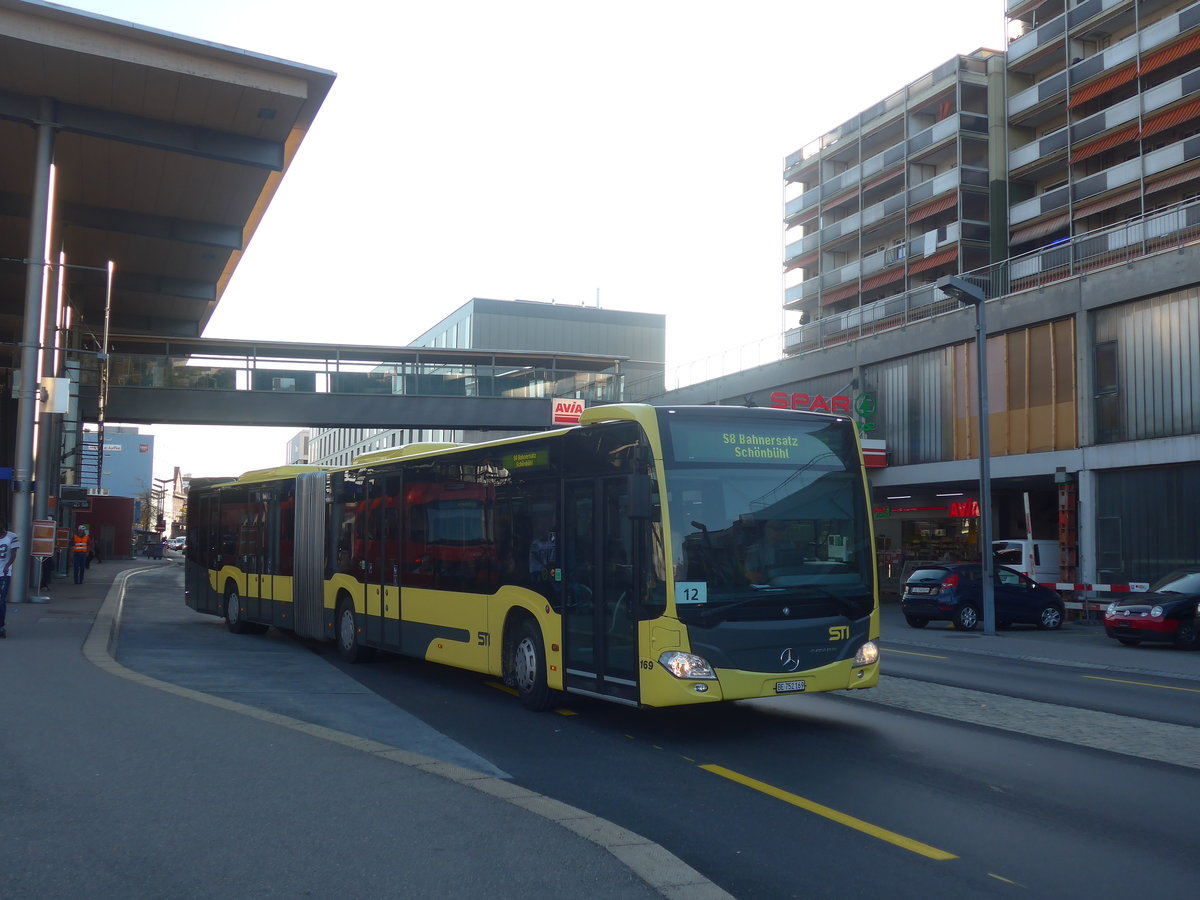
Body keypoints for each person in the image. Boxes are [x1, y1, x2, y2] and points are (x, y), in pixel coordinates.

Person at [0, 518, 17, 638]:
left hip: (4, 574)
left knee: (1, 601)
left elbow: (14, 554)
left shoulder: (12, 537)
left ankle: (1, 626)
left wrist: (7, 565)